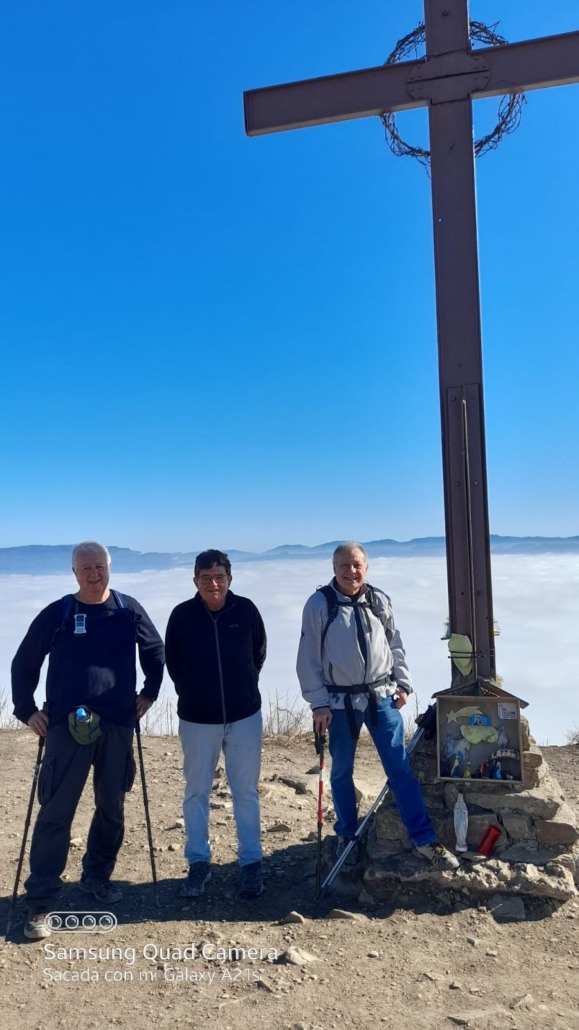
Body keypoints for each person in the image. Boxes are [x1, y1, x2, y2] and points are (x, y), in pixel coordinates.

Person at [11, 541, 165, 939]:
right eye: (86, 569)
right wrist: (27, 710)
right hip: (68, 724)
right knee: (56, 812)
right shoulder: (60, 612)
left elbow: (155, 650)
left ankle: (97, 877)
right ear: (75, 573)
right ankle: (41, 901)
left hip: (117, 721)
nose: (94, 574)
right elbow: (25, 660)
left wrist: (149, 693)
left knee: (111, 807)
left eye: (99, 567)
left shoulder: (128, 609)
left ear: (110, 568)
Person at [296, 541, 459, 870]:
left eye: (357, 565)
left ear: (366, 568)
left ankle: (423, 839)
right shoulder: (319, 605)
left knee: (400, 769)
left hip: (381, 696)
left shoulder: (378, 600)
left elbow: (394, 642)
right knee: (341, 772)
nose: (351, 571)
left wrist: (404, 684)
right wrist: (318, 704)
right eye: (344, 565)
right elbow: (308, 657)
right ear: (334, 569)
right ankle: (347, 836)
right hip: (338, 703)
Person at [165, 549, 267, 899]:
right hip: (197, 719)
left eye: (219, 577)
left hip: (244, 716)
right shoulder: (181, 616)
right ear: (195, 581)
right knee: (196, 792)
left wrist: (242, 689)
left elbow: (258, 654)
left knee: (246, 791)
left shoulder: (246, 610)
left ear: (229, 579)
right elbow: (173, 663)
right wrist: (195, 693)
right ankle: (198, 862)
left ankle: (251, 862)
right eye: (206, 578)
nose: (213, 584)